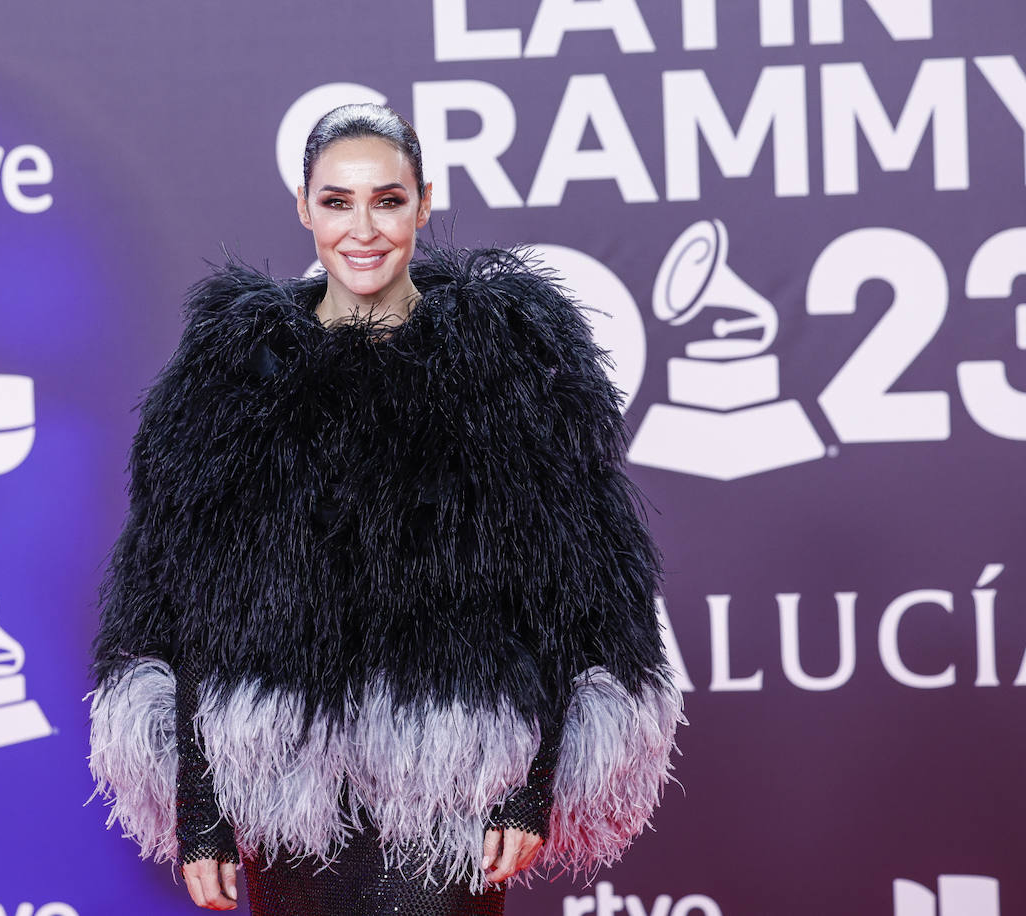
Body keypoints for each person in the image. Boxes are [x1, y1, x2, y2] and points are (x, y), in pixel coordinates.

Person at [87, 103, 684, 915]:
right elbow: (180, 604)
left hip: (455, 778)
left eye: (387, 200)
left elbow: (572, 594)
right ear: (304, 208)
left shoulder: (511, 373)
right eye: (337, 202)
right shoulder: (230, 382)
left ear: (423, 203)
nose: (362, 228)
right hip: (286, 789)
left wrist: (530, 785)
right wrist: (199, 810)